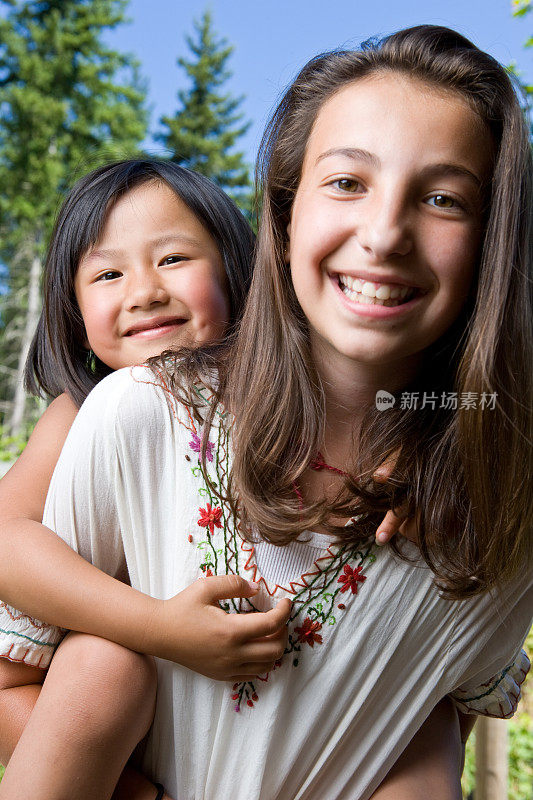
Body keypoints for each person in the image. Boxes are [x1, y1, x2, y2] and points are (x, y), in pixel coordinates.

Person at [0, 23, 531, 800]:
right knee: (97, 665)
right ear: (283, 220)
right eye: (347, 182)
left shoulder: (490, 504)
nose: (383, 234)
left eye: (444, 197)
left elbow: (439, 691)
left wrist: (444, 445)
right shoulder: (116, 417)